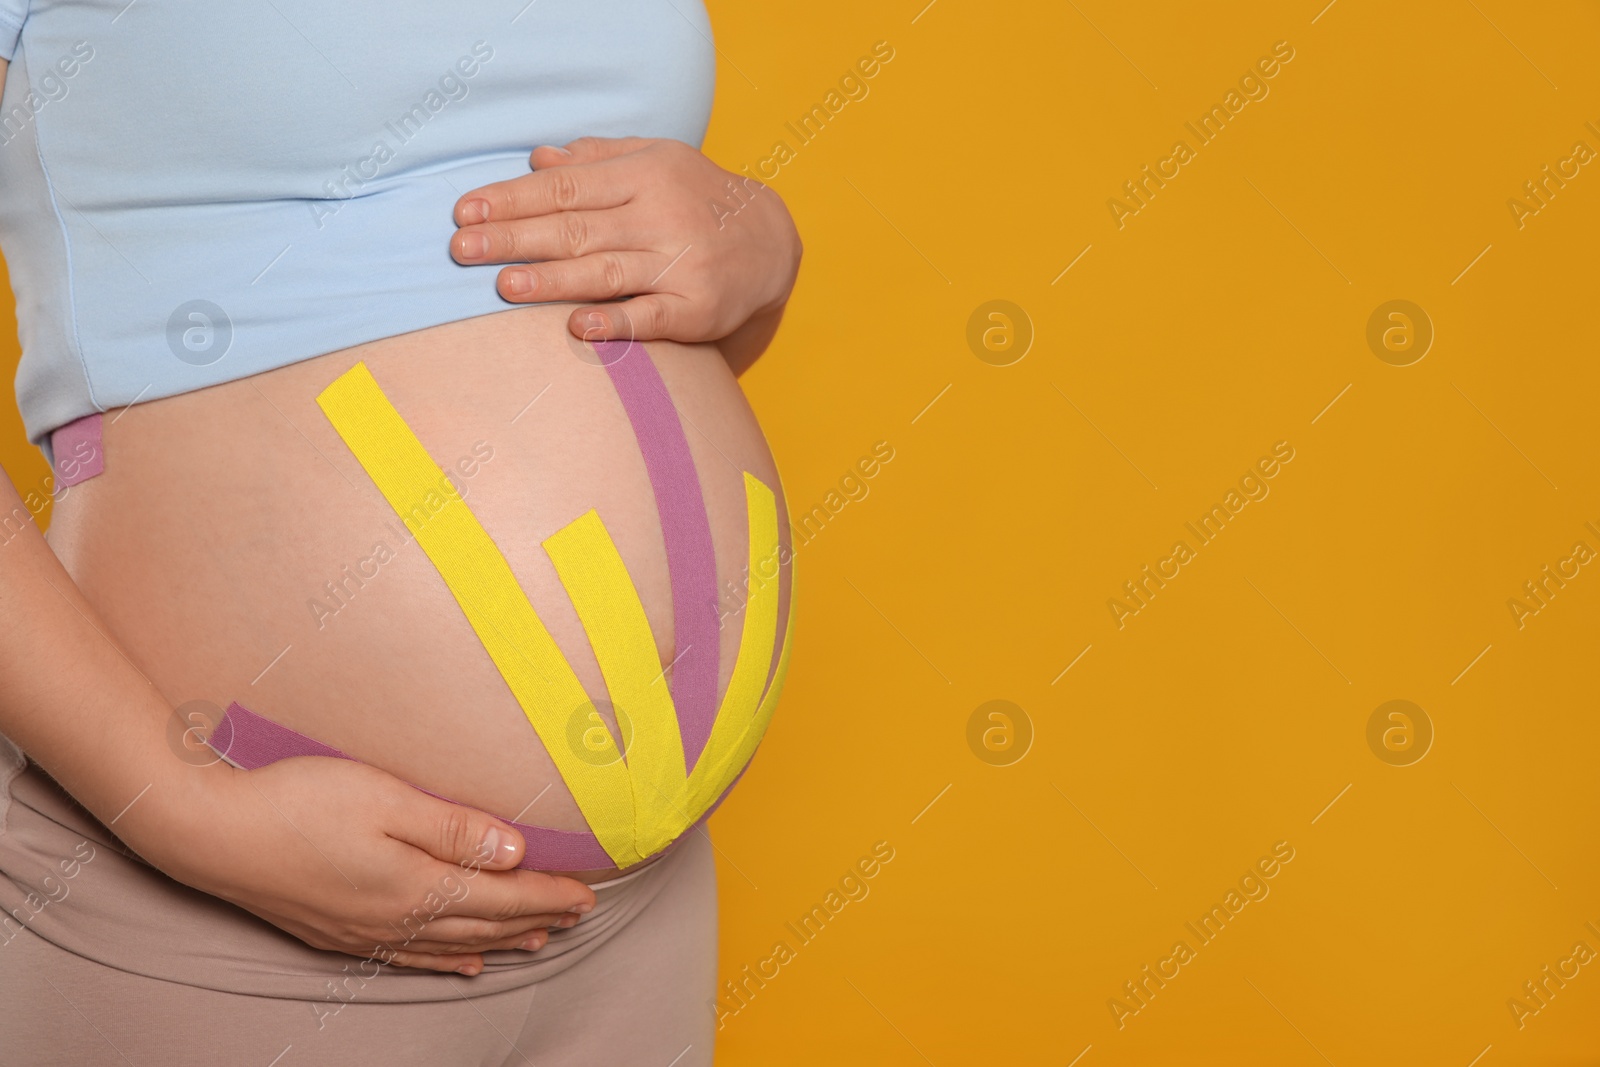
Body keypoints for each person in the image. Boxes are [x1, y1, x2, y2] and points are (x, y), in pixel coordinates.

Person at [0, 3, 800, 1064]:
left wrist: (761, 254)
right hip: (229, 898)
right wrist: (184, 810)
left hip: (638, 915)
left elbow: (544, 313)